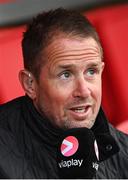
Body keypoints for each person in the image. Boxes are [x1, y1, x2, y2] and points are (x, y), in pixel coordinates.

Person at [0, 8, 128, 179]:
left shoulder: (124, 151)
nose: (83, 91)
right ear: (30, 84)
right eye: (65, 75)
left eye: (91, 71)